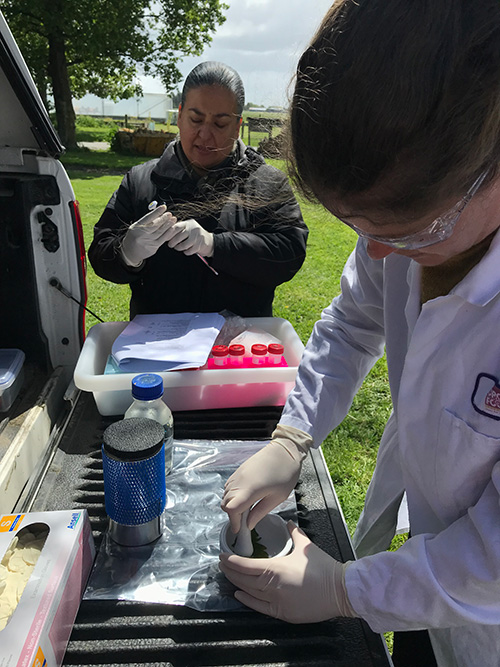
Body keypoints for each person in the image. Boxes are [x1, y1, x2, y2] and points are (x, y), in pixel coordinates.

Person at [219, 1, 500, 665]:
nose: (376, 257)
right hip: (432, 605)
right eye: (360, 229)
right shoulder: (407, 228)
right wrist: (293, 434)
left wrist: (350, 588)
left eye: (406, 230)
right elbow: (352, 322)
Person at [88, 62, 308, 319]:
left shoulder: (268, 184)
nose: (205, 134)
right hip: (157, 347)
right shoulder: (141, 182)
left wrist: (216, 245)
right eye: (196, 119)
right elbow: (101, 255)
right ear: (179, 116)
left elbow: (289, 253)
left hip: (239, 348)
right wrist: (127, 251)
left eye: (220, 123)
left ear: (238, 126)